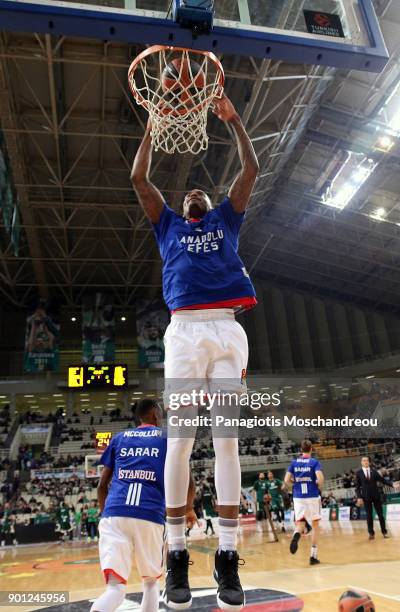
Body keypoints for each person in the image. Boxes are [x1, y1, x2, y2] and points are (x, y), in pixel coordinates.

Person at [131, 94, 259, 611]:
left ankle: (227, 556)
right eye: (188, 194)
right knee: (180, 442)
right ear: (181, 209)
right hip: (183, 332)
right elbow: (140, 180)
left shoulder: (226, 220)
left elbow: (251, 168)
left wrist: (234, 121)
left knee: (227, 441)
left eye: (200, 191)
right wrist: (152, 122)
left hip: (227, 332)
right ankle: (178, 554)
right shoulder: (169, 228)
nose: (194, 192)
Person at [91, 399, 195, 612]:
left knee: (115, 589)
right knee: (150, 582)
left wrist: (106, 517)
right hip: (149, 513)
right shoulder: (167, 438)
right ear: (156, 414)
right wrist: (189, 508)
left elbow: (102, 486)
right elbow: (188, 480)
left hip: (114, 514)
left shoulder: (119, 438)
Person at [284, 440, 324, 566]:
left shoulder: (294, 463)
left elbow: (286, 480)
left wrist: (295, 483)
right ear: (311, 449)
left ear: (301, 449)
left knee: (300, 522)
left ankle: (296, 535)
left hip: (298, 496)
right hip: (312, 495)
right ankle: (313, 555)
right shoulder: (314, 462)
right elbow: (321, 479)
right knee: (315, 525)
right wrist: (317, 483)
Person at [355, 456, 397, 540]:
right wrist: (359, 497)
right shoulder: (358, 473)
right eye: (364, 460)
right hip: (366, 497)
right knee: (369, 516)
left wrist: (392, 484)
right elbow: (357, 487)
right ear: (361, 462)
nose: (366, 462)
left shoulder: (374, 472)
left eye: (367, 460)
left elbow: (383, 480)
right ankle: (371, 533)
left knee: (380, 515)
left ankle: (384, 532)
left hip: (376, 496)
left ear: (369, 462)